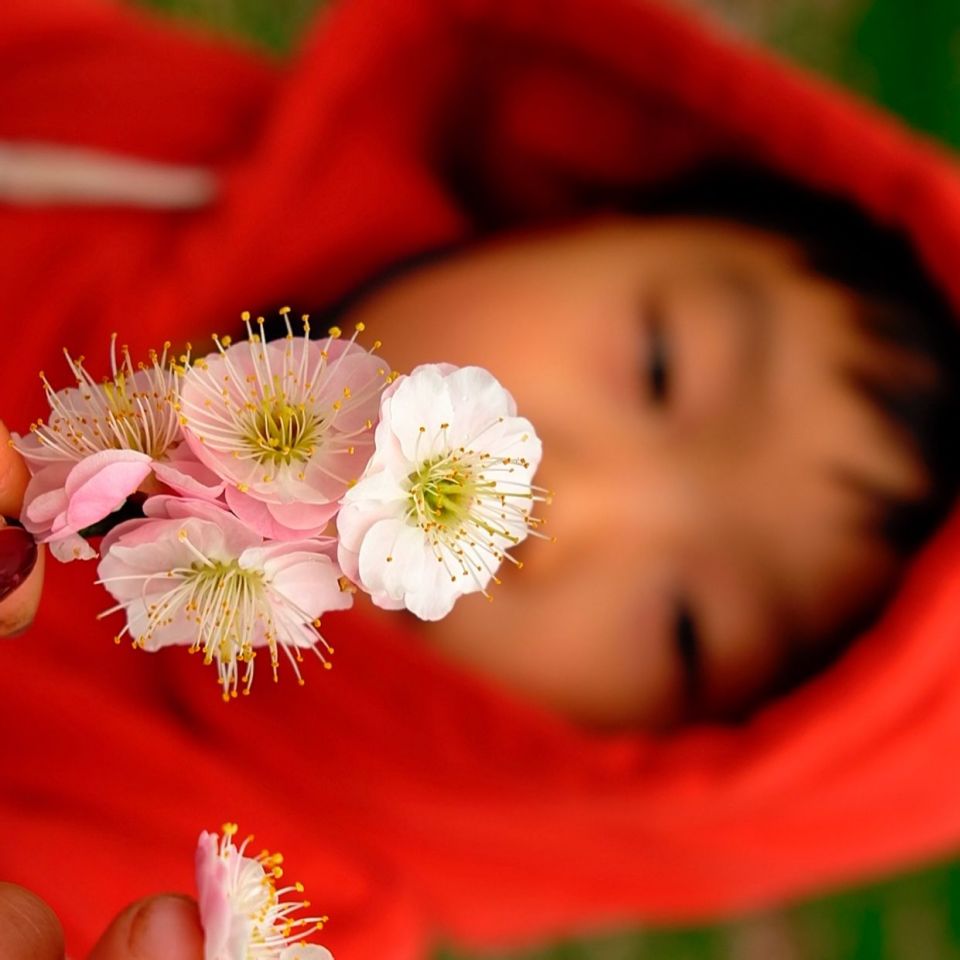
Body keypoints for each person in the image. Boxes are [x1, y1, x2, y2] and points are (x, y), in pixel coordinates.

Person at [4, 0, 960, 957]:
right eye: (660, 368)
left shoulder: (256, 900)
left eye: (686, 630)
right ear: (581, 212)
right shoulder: (191, 148)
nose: (556, 505)